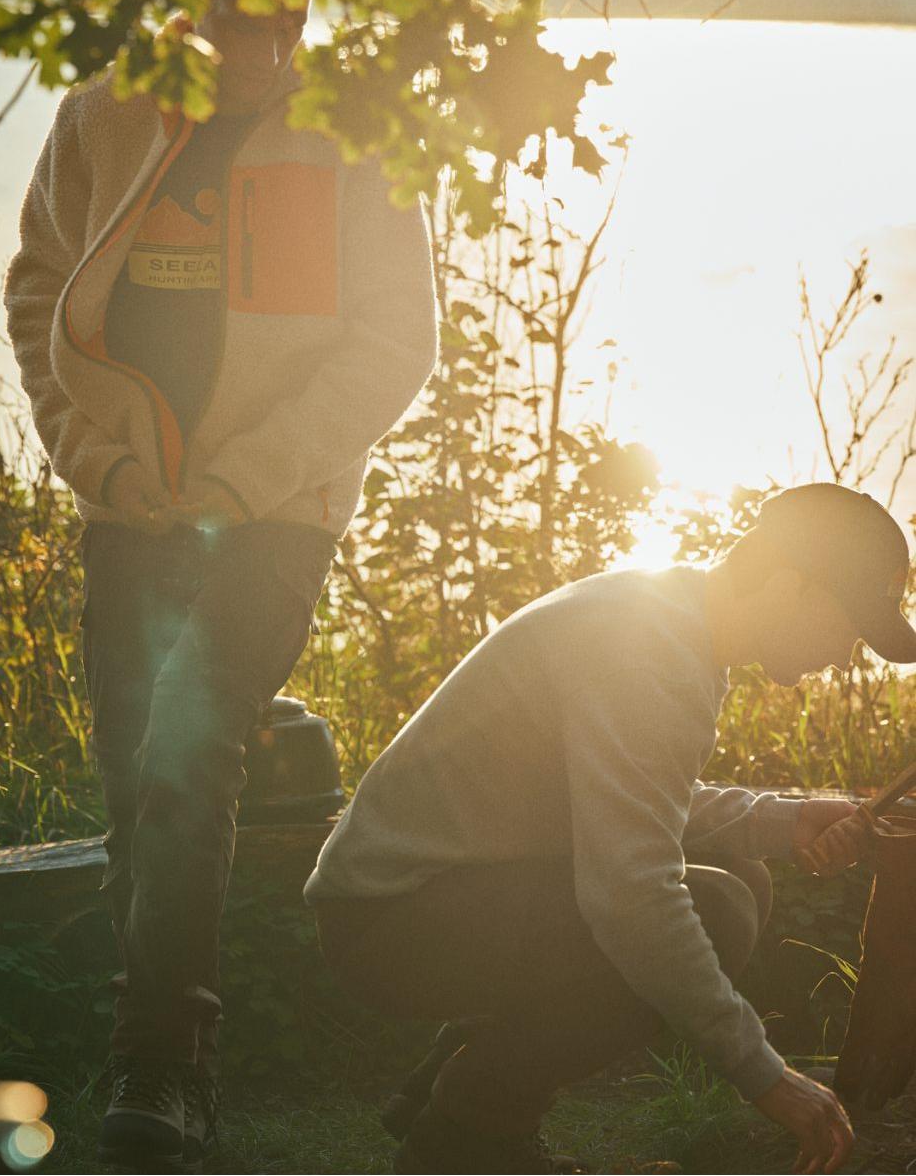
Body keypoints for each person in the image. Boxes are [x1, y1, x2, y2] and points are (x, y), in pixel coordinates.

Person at [4, 0, 439, 1172]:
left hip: (279, 512)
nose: (269, 50)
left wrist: (248, 480)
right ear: (190, 5)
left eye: (289, 22)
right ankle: (151, 1046)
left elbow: (397, 341)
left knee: (192, 745)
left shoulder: (355, 129)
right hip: (130, 506)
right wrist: (98, 463)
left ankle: (164, 1064)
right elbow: (37, 291)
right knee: (132, 778)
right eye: (243, 24)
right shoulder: (101, 114)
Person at [305, 482, 916, 1174]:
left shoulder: (670, 622)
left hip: (435, 892)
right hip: (391, 918)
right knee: (719, 909)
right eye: (848, 626)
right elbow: (632, 892)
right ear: (788, 586)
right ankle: (468, 1134)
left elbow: (632, 801)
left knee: (742, 878)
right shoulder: (647, 653)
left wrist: (785, 819)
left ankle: (439, 1094)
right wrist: (766, 1076)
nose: (845, 656)